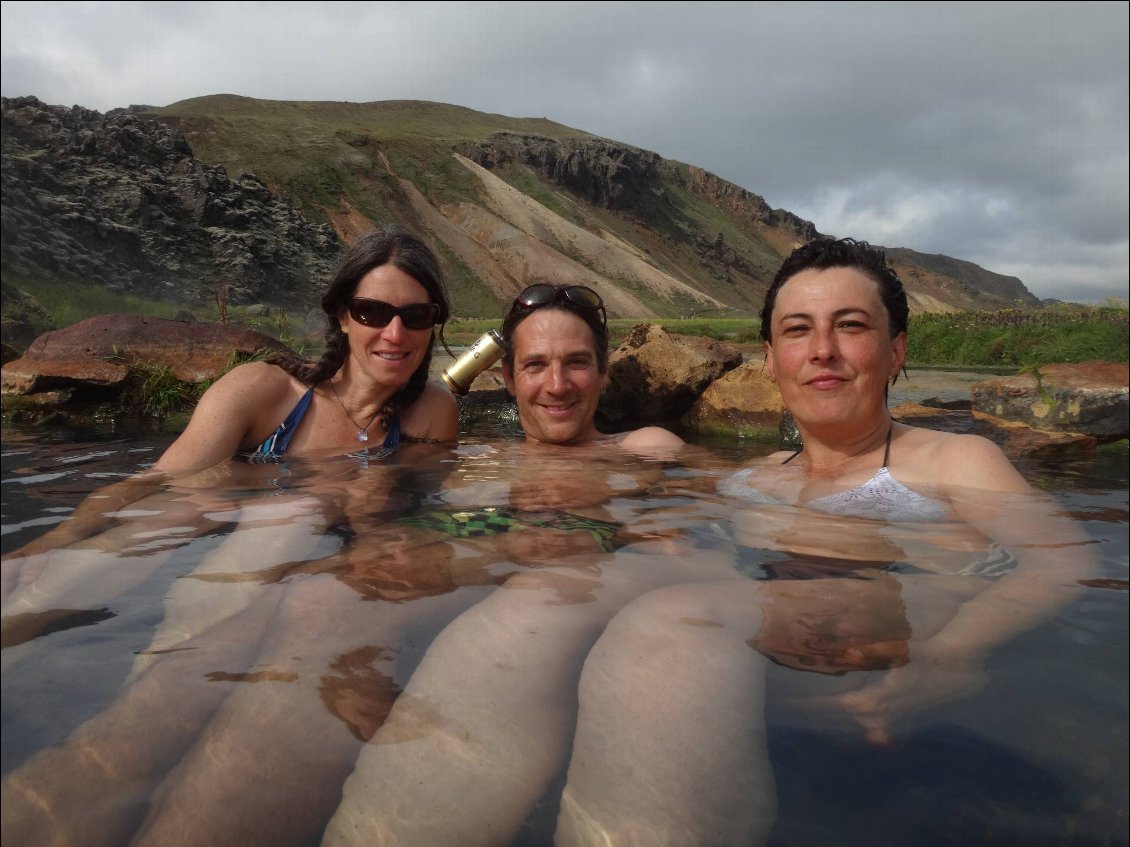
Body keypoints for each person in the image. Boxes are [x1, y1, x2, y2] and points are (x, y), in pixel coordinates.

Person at [547, 238, 1096, 844]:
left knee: (671, 620)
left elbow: (1064, 561)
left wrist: (951, 655)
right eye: (798, 330)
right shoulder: (754, 478)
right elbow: (691, 542)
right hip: (764, 684)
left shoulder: (954, 460)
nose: (823, 351)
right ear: (771, 357)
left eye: (851, 326)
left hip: (885, 690)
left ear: (896, 351)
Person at [321, 283, 732, 845]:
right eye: (536, 365)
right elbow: (383, 527)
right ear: (508, 379)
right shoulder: (469, 460)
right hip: (479, 599)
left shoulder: (645, 449)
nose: (557, 385)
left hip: (588, 602)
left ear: (604, 373)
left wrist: (621, 530)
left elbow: (717, 521)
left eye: (577, 363)